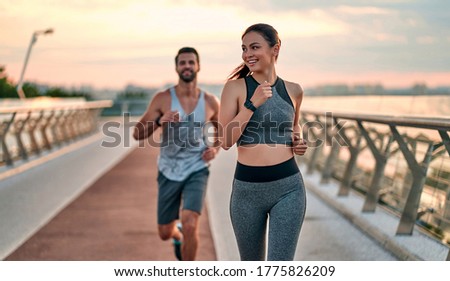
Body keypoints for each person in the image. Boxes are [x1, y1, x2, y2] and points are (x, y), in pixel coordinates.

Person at [218, 23, 308, 261]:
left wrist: (298, 144)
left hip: (288, 189)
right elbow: (225, 140)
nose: (248, 54)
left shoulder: (294, 90)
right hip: (247, 192)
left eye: (254, 47)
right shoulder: (235, 88)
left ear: (275, 49)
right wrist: (251, 104)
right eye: (244, 48)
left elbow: (294, 128)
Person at [133, 47, 220, 261]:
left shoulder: (210, 102)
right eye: (183, 63)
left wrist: (215, 148)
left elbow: (222, 131)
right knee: (164, 232)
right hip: (168, 169)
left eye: (191, 62)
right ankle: (176, 234)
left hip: (197, 168)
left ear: (198, 66)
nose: (187, 66)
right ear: (176, 67)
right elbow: (137, 133)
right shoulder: (163, 99)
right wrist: (159, 121)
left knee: (191, 223)